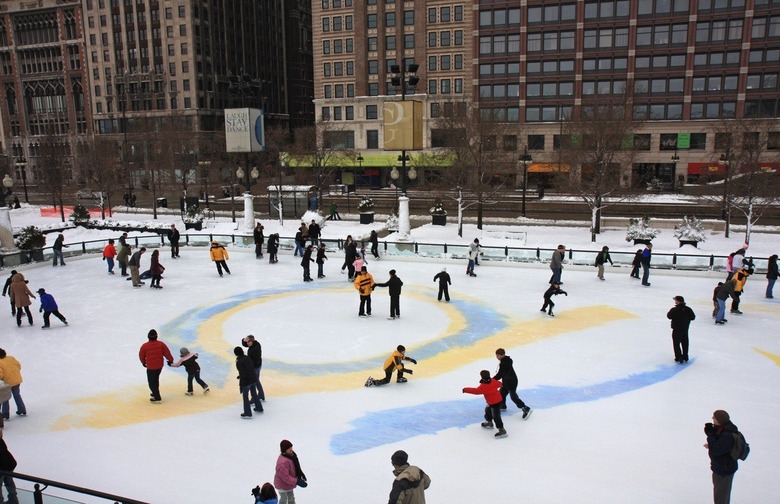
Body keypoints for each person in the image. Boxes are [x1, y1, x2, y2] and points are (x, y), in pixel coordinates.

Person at [704, 410, 739, 504]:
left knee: (721, 497)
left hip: (724, 470)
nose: (712, 418)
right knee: (720, 495)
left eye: (714, 417)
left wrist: (710, 434)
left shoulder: (727, 435)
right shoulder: (725, 428)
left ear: (719, 419)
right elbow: (719, 445)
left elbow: (716, 450)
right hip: (722, 468)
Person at [462, 370, 507, 438]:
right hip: (498, 400)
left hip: (495, 403)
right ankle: (489, 423)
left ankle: (502, 430)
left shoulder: (483, 386)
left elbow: (476, 391)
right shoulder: (493, 381)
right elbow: (500, 384)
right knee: (488, 410)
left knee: (496, 416)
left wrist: (465, 389)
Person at [493, 348, 532, 419]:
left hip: (511, 382)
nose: (497, 357)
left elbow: (500, 373)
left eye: (498, 356)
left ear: (502, 355)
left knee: (513, 397)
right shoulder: (505, 361)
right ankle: (503, 405)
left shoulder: (504, 363)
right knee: (502, 393)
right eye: (496, 356)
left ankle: (525, 408)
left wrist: (493, 379)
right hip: (506, 381)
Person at [138, 329, 174, 403]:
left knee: (151, 382)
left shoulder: (145, 346)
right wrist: (170, 360)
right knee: (156, 379)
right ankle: (155, 392)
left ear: (148, 337)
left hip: (151, 367)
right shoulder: (161, 344)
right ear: (156, 337)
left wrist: (143, 362)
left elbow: (141, 355)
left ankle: (157, 397)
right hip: (159, 366)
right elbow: (167, 353)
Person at [234, 346, 262, 418]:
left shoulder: (239, 362)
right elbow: (249, 368)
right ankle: (259, 407)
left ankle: (247, 412)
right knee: (254, 394)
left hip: (247, 381)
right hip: (253, 378)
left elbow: (243, 374)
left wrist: (241, 386)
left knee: (245, 396)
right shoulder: (247, 357)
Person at [275, 440, 306, 504]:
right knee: (284, 500)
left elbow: (295, 468)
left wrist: (300, 474)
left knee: (291, 499)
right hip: (282, 485)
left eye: (291, 447)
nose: (291, 449)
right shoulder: (282, 463)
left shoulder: (291, 456)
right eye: (288, 448)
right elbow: (285, 477)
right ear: (284, 450)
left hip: (288, 484)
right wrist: (297, 481)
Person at [667, 295, 696, 364]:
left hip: (676, 329)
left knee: (676, 343)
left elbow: (669, 316)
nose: (675, 301)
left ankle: (678, 357)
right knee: (685, 343)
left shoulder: (674, 309)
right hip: (685, 329)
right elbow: (693, 317)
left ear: (679, 301)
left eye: (676, 300)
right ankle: (685, 356)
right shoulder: (688, 309)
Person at [0, 349, 26, 420]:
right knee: (17, 395)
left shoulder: (0, 362)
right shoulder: (11, 358)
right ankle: (22, 410)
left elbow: (0, 374)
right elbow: (18, 365)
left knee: (5, 398)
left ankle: (5, 414)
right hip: (17, 380)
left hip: (7, 383)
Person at [243, 335, 265, 401]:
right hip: (257, 366)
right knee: (256, 381)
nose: (247, 344)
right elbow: (245, 344)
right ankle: (261, 395)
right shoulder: (255, 344)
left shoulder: (254, 349)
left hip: (255, 367)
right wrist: (244, 340)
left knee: (253, 383)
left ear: (252, 341)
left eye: (248, 342)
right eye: (247, 342)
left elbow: (253, 361)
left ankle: (254, 398)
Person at [0, 436, 18, 504]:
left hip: (4, 466)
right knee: (9, 482)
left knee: (8, 482)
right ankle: (13, 500)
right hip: (8, 464)